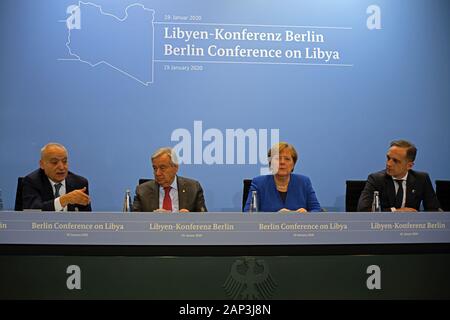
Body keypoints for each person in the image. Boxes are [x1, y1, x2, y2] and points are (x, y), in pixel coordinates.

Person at [357, 140, 441, 212]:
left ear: (409, 166)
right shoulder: (376, 179)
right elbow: (363, 210)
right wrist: (395, 211)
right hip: (382, 227)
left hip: (411, 228)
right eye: (388, 158)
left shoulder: (422, 179)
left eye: (395, 161)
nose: (388, 163)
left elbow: (434, 210)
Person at [243, 142, 321, 213]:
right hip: (268, 227)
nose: (282, 162)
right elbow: (249, 212)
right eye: (277, 158)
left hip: (298, 227)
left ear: (293, 164)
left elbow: (316, 209)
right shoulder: (259, 183)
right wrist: (276, 217)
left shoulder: (304, 182)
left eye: (287, 159)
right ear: (270, 163)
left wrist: (307, 214)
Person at [133, 147, 207, 212]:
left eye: (162, 168)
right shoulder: (142, 191)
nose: (157, 173)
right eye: (155, 168)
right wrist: (153, 218)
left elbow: (205, 221)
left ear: (175, 167)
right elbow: (134, 222)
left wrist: (189, 218)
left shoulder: (193, 188)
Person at [22, 143, 91, 211]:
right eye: (54, 162)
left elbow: (86, 219)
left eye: (65, 161)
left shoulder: (80, 183)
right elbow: (33, 212)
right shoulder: (32, 181)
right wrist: (64, 200)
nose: (61, 167)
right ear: (42, 164)